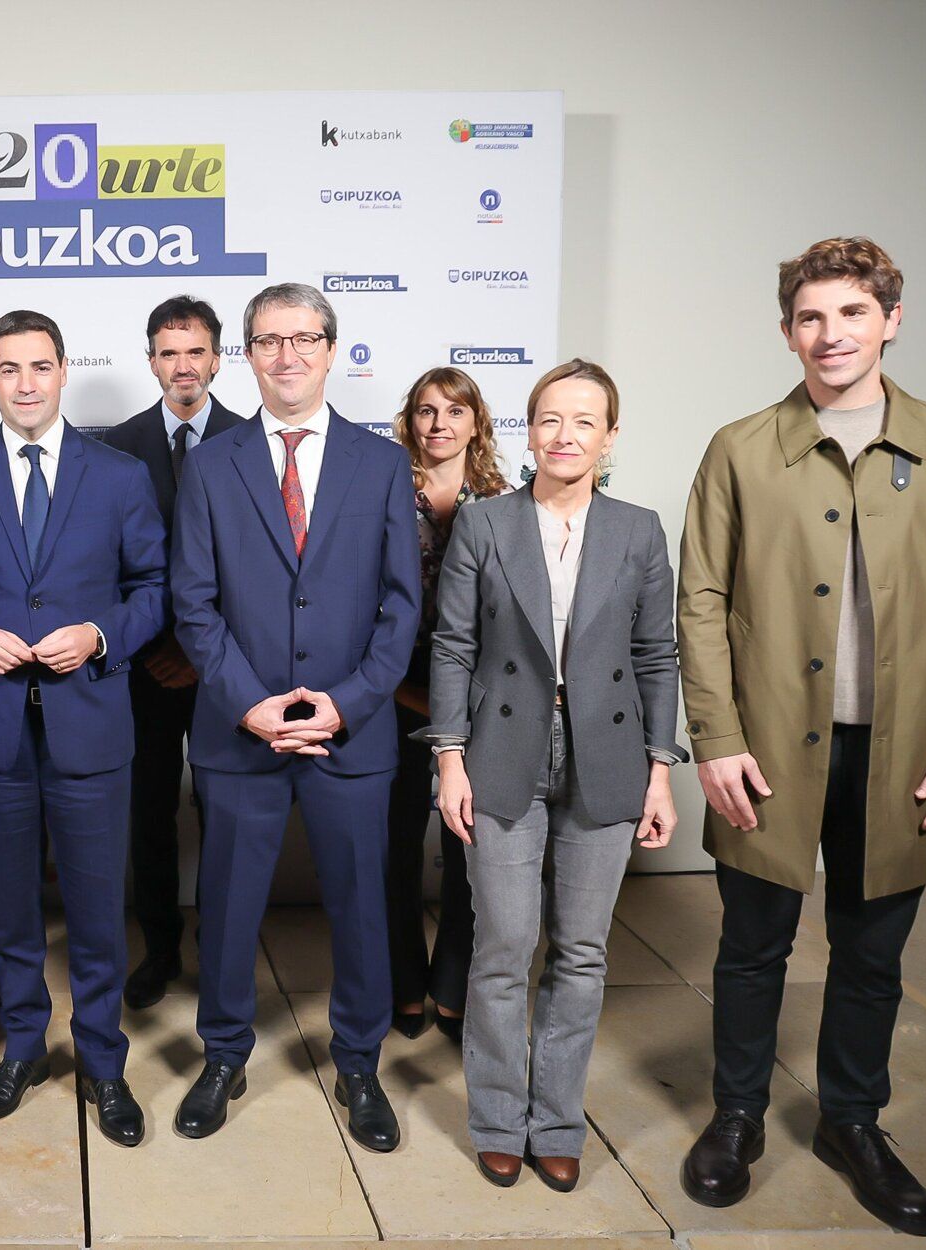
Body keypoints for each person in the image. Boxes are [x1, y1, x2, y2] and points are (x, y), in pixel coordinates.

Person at [678, 237, 926, 1236]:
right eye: (810, 316)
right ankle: (737, 1113)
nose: (829, 333)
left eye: (851, 312)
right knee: (750, 946)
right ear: (787, 331)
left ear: (891, 317)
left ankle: (854, 1121)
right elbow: (701, 598)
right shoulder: (740, 448)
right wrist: (714, 737)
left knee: (873, 952)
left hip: (906, 752)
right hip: (766, 748)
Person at [423, 359, 683, 1192]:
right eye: (547, 419)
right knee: (502, 947)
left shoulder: (638, 528)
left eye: (583, 422)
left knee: (580, 951)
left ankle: (558, 1122)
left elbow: (654, 657)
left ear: (609, 437)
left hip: (606, 757)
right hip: (500, 754)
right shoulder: (485, 524)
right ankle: (500, 1119)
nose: (564, 436)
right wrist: (448, 760)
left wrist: (659, 771)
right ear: (526, 431)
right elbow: (453, 647)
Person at [170, 282, 420, 1144]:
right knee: (229, 905)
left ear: (330, 348)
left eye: (303, 339)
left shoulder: (382, 463)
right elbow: (192, 604)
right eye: (268, 341)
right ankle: (222, 1055)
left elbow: (400, 608)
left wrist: (342, 706)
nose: (287, 356)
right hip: (240, 731)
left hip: (350, 732)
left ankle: (358, 1062)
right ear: (247, 354)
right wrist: (249, 706)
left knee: (361, 906)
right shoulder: (210, 464)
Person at [0, 309, 167, 1146]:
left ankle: (101, 1059)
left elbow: (152, 590)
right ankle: (22, 1045)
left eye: (39, 366)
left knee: (97, 910)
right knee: (8, 909)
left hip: (90, 726)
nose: (25, 383)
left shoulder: (120, 475)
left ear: (63, 372)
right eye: (8, 368)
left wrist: (100, 636)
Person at [102, 296, 245, 1009]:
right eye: (168, 351)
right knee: (148, 813)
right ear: (151, 360)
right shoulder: (116, 447)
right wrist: (156, 648)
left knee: (225, 813)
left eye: (195, 351)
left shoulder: (253, 442)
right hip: (143, 670)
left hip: (227, 670)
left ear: (217, 358)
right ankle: (158, 949)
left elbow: (258, 571)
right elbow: (108, 567)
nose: (182, 365)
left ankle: (220, 949)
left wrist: (200, 653)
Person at [385, 368, 511, 1044]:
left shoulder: (501, 501)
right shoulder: (379, 495)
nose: (438, 424)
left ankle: (452, 986)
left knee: (469, 847)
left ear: (475, 424)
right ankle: (401, 984)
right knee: (393, 843)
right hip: (392, 686)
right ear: (410, 422)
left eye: (453, 411)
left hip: (476, 694)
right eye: (426, 411)